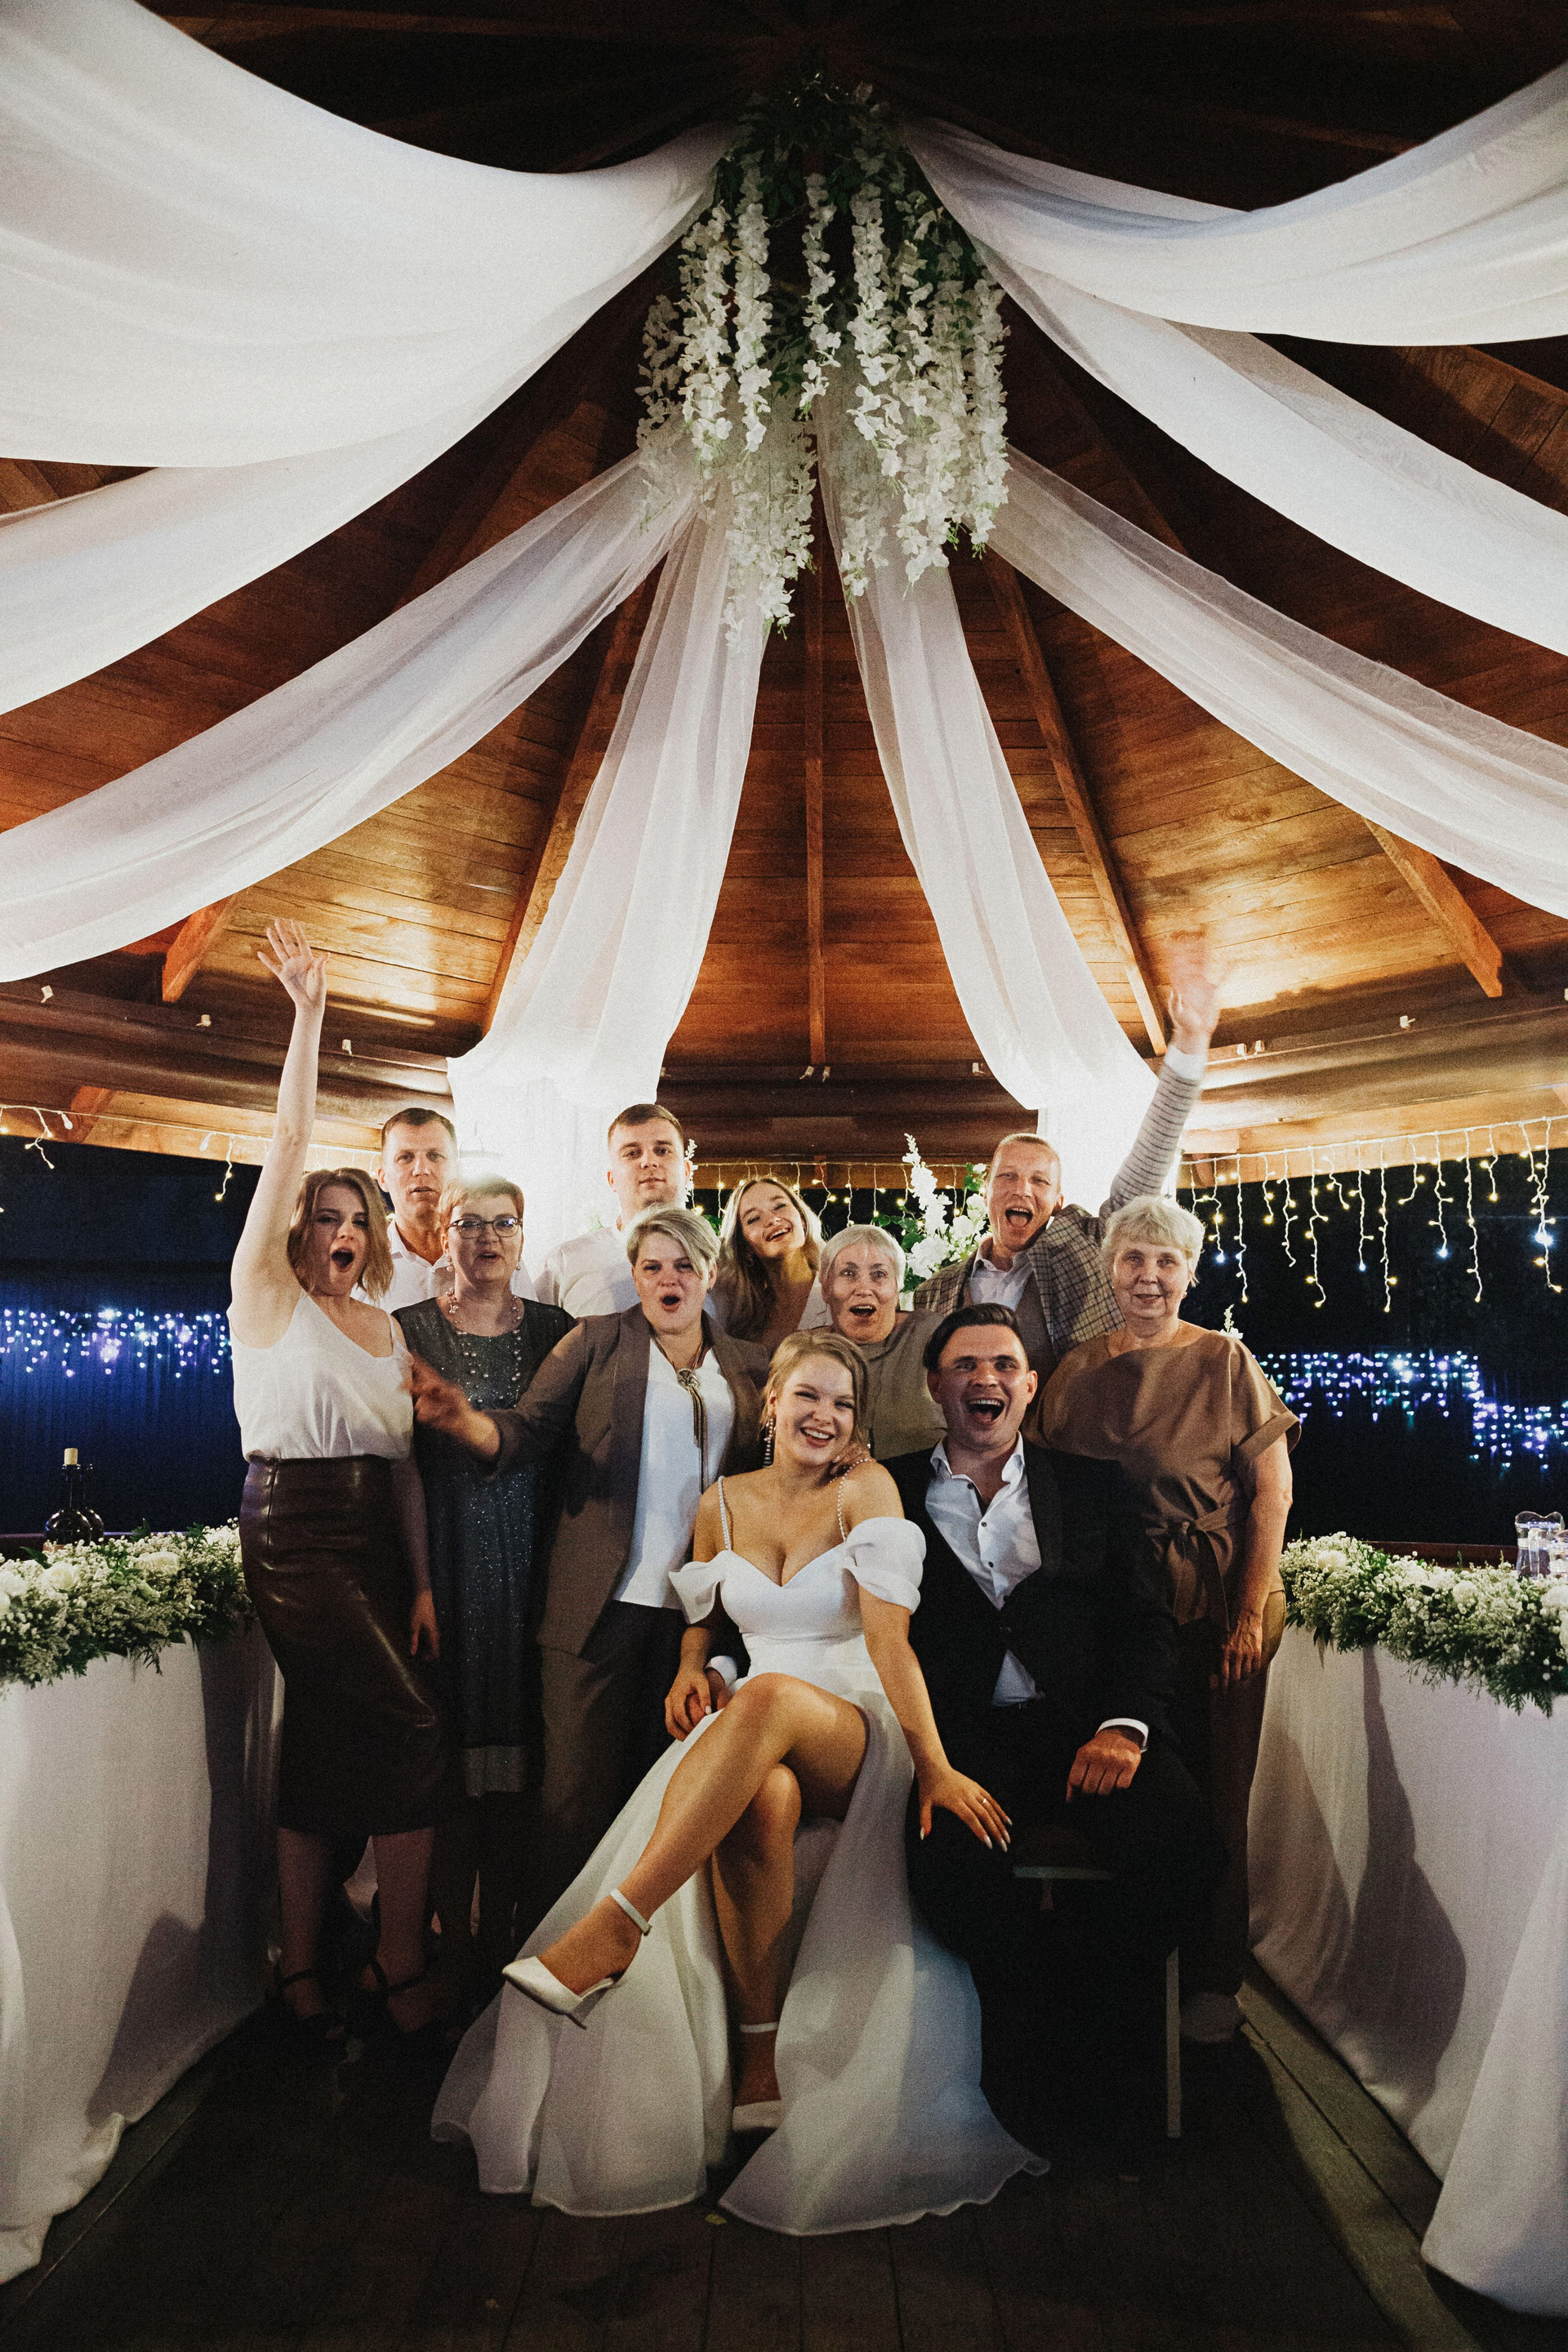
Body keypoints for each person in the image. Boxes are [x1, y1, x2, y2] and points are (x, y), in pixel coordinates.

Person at [430, 1330, 1041, 2234]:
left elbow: (890, 1645)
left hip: (854, 1727)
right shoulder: (719, 1503)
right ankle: (758, 2067)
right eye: (809, 1397)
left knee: (765, 1700)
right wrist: (692, 1665)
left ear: (858, 1422)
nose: (824, 1416)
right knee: (764, 1795)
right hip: (757, 1726)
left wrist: (936, 1764)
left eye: (842, 1404)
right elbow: (707, 1616)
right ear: (772, 1404)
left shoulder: (866, 1491)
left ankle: (619, 1923)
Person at [886, 1303, 1223, 2148]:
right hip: (962, 1745)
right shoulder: (885, 1489)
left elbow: (1144, 1623)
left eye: (1004, 1364)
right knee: (948, 1870)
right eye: (966, 1366)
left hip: (1086, 1732)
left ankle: (1087, 2020)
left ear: (1031, 1385)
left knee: (1184, 1845)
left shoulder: (1091, 1484)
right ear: (935, 1385)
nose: (986, 1379)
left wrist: (1125, 1727)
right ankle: (1021, 2055)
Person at [229, 920, 459, 2045]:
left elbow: (406, 1467)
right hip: (295, 1531)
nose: (339, 1231)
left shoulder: (388, 1327)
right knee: (413, 1725)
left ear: (372, 1239)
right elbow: (287, 1142)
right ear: (296, 1231)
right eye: (322, 1217)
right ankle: (399, 1963)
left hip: (375, 1536)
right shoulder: (263, 1296)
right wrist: (310, 1014)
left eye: (354, 1220)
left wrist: (418, 1580)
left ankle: (302, 1969)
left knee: (326, 1744)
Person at [407, 1205, 767, 1922]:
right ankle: (547, 1965)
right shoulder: (595, 1342)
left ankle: (640, 1968)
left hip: (700, 1621)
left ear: (710, 1274)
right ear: (634, 1275)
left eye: (683, 1265)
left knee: (665, 1802)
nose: (667, 1279)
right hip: (595, 1613)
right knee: (572, 1809)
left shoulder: (751, 1366)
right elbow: (526, 1431)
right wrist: (463, 1420)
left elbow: (786, 1463)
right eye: (651, 1267)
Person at [1034, 1196, 1297, 2044]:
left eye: (1165, 1261)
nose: (1148, 1277)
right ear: (1110, 1270)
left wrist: (1248, 1613)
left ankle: (1213, 1978)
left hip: (1211, 1597)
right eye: (1133, 1260)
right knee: (1126, 1789)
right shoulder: (1074, 1369)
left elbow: (1273, 1492)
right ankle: (1115, 1969)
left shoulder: (1225, 1359)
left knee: (1217, 1789)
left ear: (1189, 1272)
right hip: (1110, 1609)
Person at [394, 1177, 573, 2002]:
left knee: (522, 1777)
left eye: (505, 1224)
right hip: (449, 1557)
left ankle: (504, 1943)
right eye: (470, 1224)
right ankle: (453, 1950)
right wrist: (421, 1584)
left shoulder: (557, 1331)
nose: (488, 1238)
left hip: (537, 1565)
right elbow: (402, 1469)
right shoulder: (411, 1330)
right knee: (452, 1775)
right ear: (445, 1238)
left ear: (524, 1238)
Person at [912, 941, 1223, 1382]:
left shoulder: (1090, 1244)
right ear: (986, 1192)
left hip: (1076, 1425)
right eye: (1008, 1176)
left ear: (1059, 1202)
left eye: (1039, 1181)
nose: (1022, 1189)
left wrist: (1190, 1043)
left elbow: (1150, 1158)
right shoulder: (933, 1293)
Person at [533, 1100, 693, 1318]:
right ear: (612, 1180)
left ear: (686, 1171)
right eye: (632, 1153)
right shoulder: (563, 1263)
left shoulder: (726, 1266)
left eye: (663, 1150)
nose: (649, 1161)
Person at [375, 1107, 537, 1312]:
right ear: (383, 1178)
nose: (421, 1169)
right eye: (406, 1157)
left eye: (435, 1156)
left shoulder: (495, 1254)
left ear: (458, 1171)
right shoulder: (363, 1262)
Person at [818, 1222, 946, 1460]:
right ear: (825, 1288)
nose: (864, 1288)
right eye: (848, 1273)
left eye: (879, 1274)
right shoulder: (808, 1352)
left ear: (897, 1288)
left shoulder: (933, 1335)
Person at [711, 1175, 832, 1352]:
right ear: (745, 1248)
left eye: (780, 1206)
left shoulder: (837, 1298)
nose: (772, 1219)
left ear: (802, 1219)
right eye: (754, 1218)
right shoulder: (742, 1319)